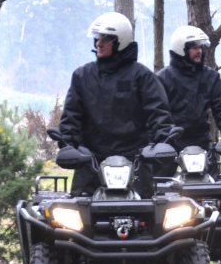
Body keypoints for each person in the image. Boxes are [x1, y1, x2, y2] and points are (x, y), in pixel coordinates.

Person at [59, 12, 174, 197]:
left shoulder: (142, 76)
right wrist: (68, 145)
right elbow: (71, 117)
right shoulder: (82, 76)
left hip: (135, 162)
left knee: (151, 218)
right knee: (74, 220)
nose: (99, 43)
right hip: (91, 163)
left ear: (120, 41)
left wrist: (162, 142)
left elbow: (159, 114)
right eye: (97, 38)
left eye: (106, 39)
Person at [157, 25, 221, 179]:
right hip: (169, 145)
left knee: (218, 191)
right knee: (158, 189)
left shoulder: (210, 77)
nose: (199, 51)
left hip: (201, 144)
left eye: (200, 47)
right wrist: (158, 139)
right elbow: (155, 112)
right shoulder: (163, 78)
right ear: (181, 49)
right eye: (194, 47)